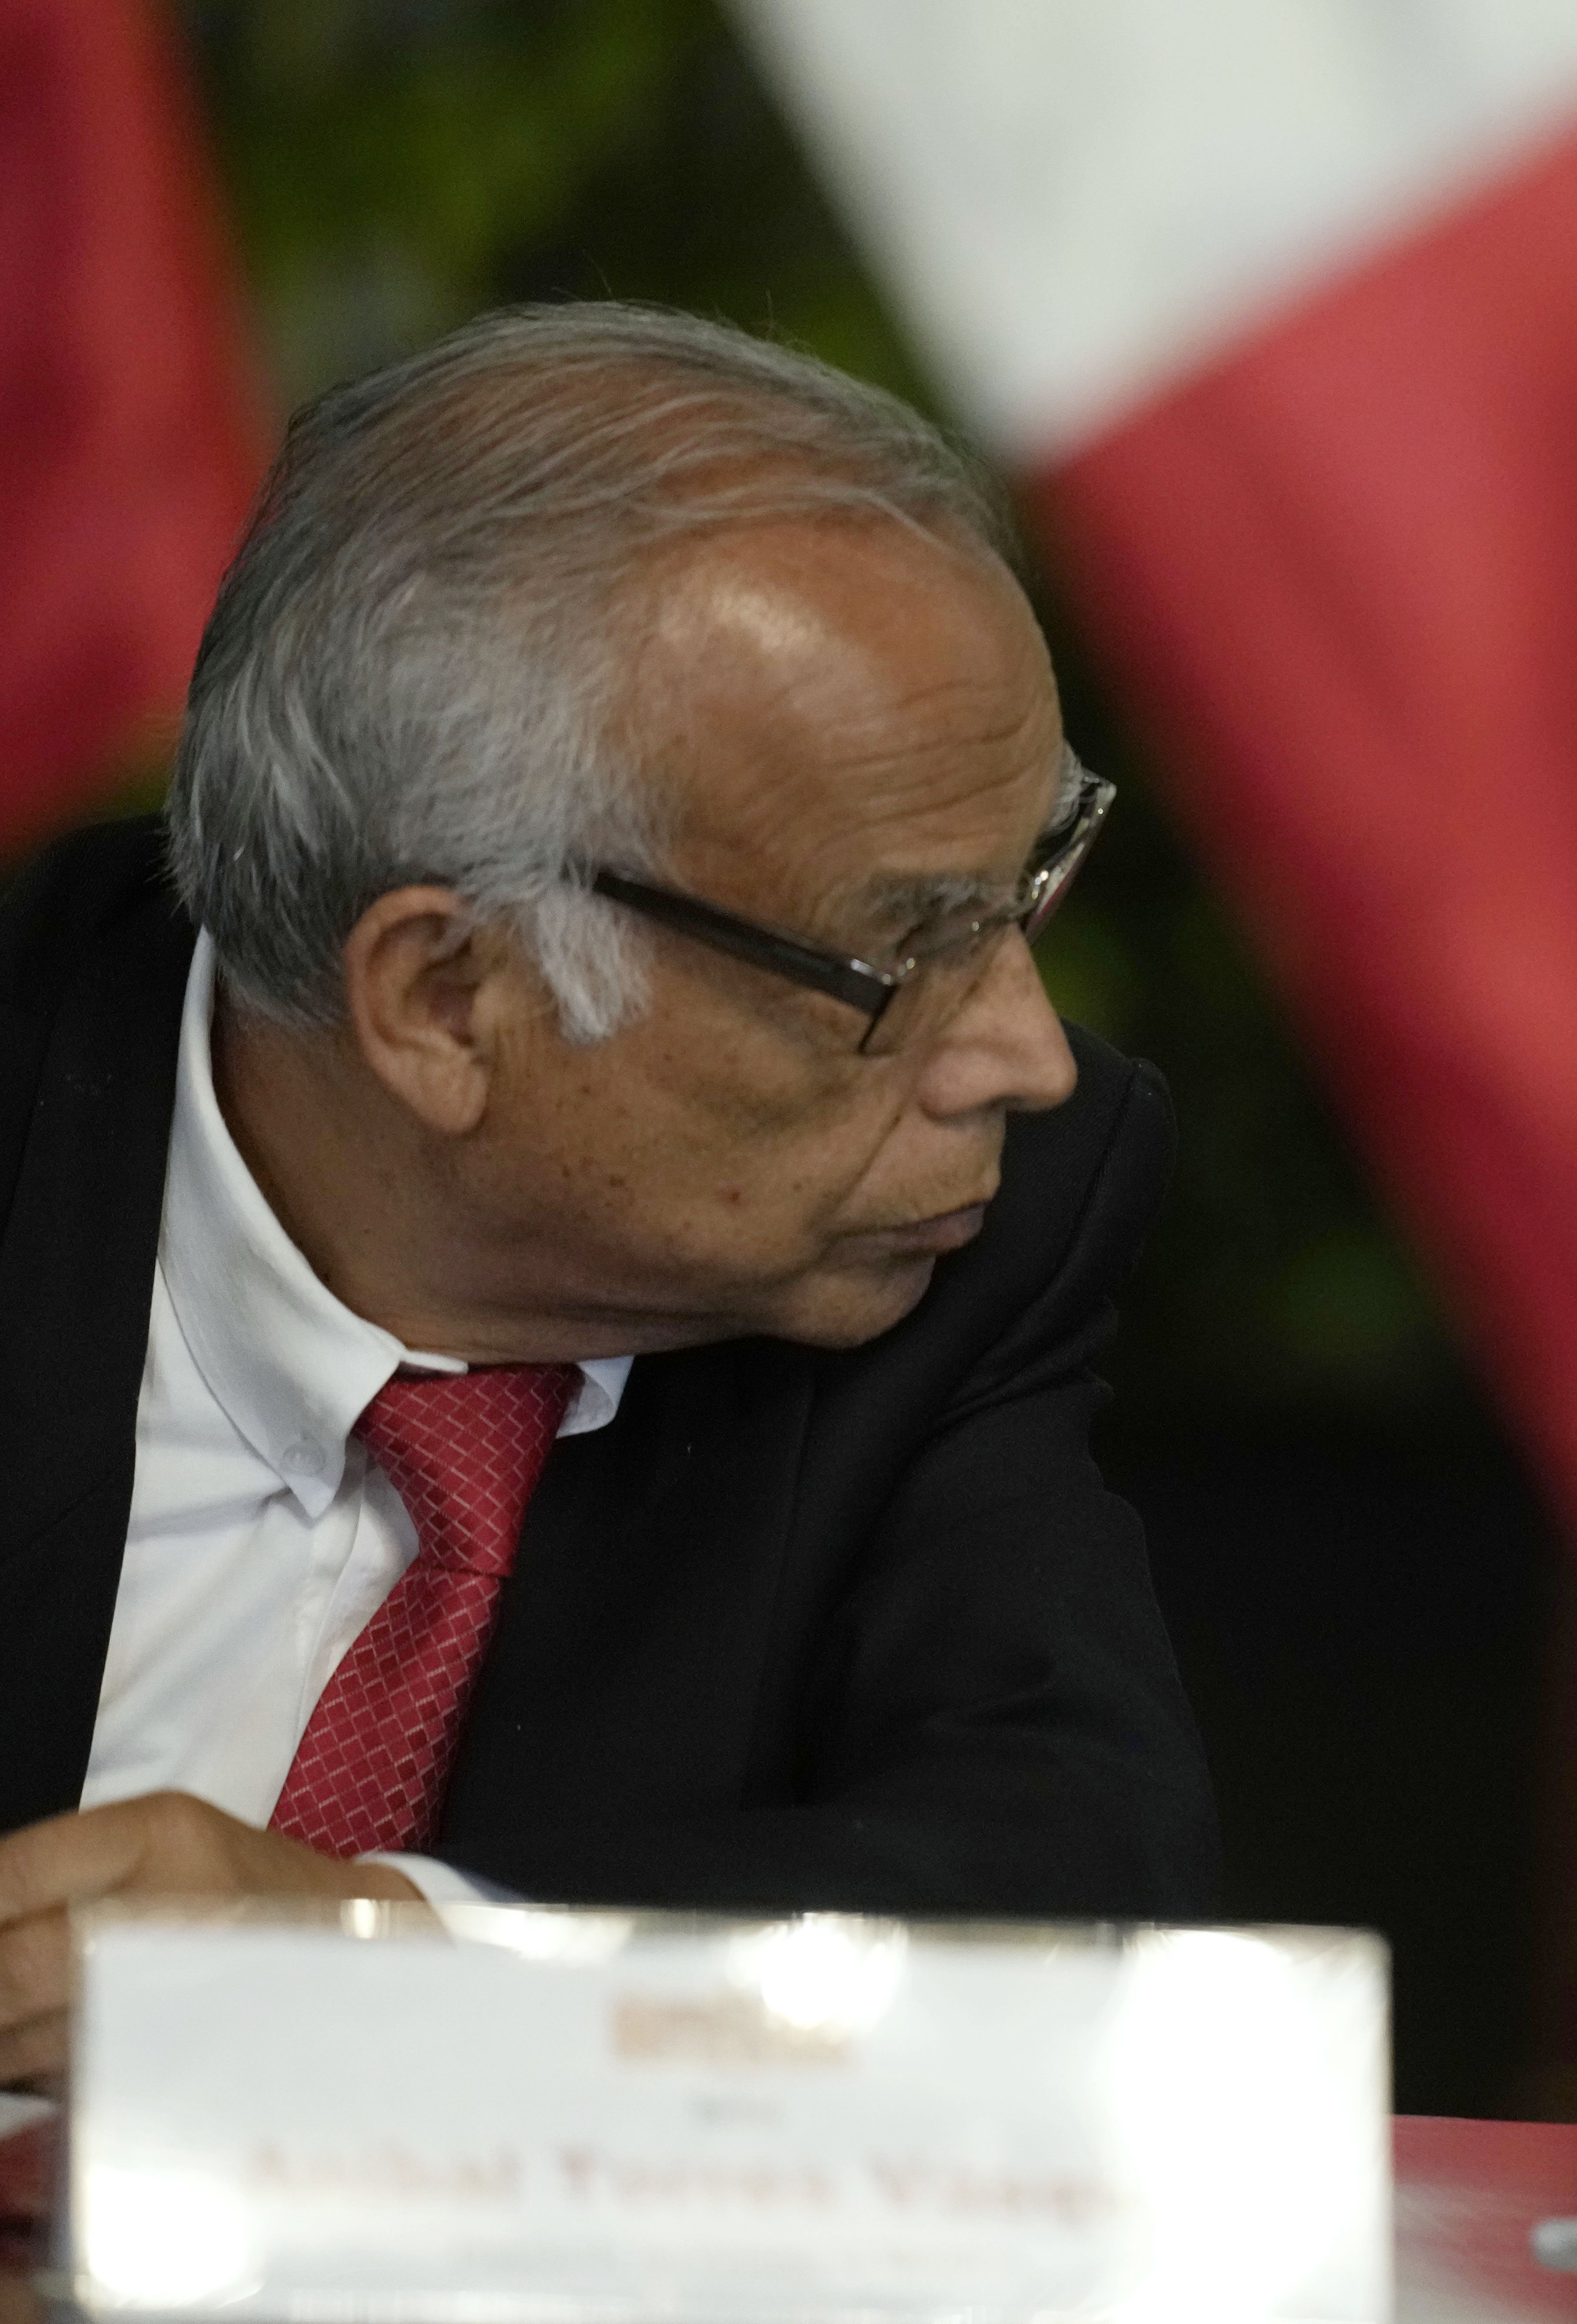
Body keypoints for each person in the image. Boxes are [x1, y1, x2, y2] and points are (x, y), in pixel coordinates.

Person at [0, 303, 1218, 2093]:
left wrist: (374, 1969)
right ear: (443, 998)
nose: (1021, 1061)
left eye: (1025, 885)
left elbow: (1086, 1918)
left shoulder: (965, 1234)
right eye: (904, 954)